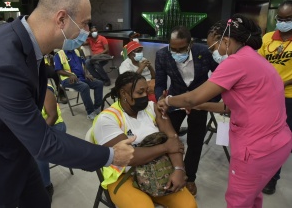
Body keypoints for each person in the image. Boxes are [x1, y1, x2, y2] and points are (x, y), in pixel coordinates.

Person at [0, 0, 135, 207]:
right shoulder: (3, 65)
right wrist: (110, 156)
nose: (87, 31)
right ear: (62, 19)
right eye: (84, 23)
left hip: (20, 150)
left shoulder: (24, 40)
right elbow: (44, 142)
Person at [158, 14, 292, 208]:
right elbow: (231, 106)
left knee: (238, 201)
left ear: (226, 41)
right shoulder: (254, 58)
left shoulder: (236, 62)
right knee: (253, 196)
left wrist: (168, 100)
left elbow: (192, 97)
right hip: (277, 144)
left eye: (214, 47)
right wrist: (200, 106)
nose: (214, 52)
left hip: (256, 148)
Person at [92, 71, 197, 208]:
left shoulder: (152, 108)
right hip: (124, 175)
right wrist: (165, 147)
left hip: (158, 169)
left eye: (146, 92)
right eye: (140, 93)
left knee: (189, 205)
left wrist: (178, 169)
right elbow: (129, 156)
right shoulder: (107, 119)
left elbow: (173, 139)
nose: (145, 97)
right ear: (124, 93)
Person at [154, 25, 219, 196]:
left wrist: (209, 102)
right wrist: (160, 97)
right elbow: (160, 82)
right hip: (176, 99)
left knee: (195, 141)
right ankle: (171, 172)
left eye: (181, 49)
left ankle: (190, 178)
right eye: (173, 48)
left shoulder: (204, 52)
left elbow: (220, 78)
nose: (177, 52)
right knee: (169, 137)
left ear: (190, 44)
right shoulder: (162, 55)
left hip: (200, 101)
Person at [258, 0, 292, 195]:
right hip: (266, 96)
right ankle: (262, 172)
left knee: (280, 139)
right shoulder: (268, 38)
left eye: (288, 18)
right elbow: (258, 64)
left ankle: (273, 177)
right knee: (265, 137)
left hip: (288, 97)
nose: (283, 21)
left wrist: (283, 83)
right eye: (280, 18)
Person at [37, 84, 67, 202]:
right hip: (36, 128)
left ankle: (46, 185)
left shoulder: (44, 88)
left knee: (39, 149)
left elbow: (53, 116)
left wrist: (36, 133)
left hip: (55, 125)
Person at [54, 48, 103, 120]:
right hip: (67, 79)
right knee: (84, 87)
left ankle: (96, 107)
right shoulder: (59, 55)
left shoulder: (77, 51)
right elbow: (58, 70)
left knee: (99, 83)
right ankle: (90, 112)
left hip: (82, 77)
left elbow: (85, 64)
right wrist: (70, 75)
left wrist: (86, 74)